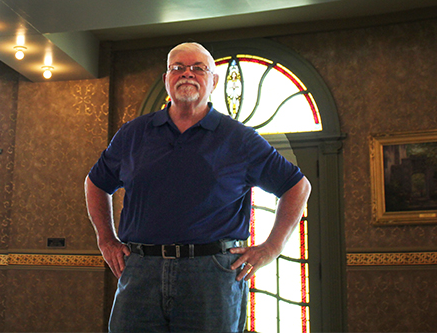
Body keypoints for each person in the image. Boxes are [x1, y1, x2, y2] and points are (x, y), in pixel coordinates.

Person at [84, 42, 311, 333]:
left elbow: (297, 187)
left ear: (214, 81)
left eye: (198, 68)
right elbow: (95, 183)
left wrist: (271, 248)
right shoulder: (133, 134)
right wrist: (106, 240)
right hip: (140, 270)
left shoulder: (239, 139)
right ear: (166, 79)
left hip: (212, 275)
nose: (186, 74)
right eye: (177, 68)